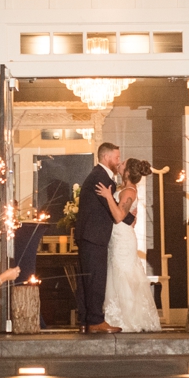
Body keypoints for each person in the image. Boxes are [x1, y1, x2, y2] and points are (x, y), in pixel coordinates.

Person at [97, 158, 160, 332]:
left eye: (123, 163)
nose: (119, 163)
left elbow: (118, 216)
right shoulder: (124, 189)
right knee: (116, 274)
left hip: (123, 240)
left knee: (122, 275)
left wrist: (109, 196)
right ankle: (117, 316)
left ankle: (127, 319)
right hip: (117, 236)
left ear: (127, 172)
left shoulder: (129, 191)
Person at [76, 142, 123, 334]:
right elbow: (112, 209)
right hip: (94, 237)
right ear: (106, 157)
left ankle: (85, 320)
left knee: (87, 279)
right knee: (96, 279)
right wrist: (128, 216)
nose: (118, 161)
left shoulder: (98, 175)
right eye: (117, 157)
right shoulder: (102, 178)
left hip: (88, 236)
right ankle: (95, 321)